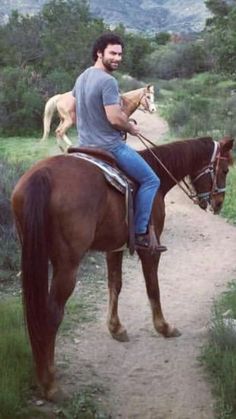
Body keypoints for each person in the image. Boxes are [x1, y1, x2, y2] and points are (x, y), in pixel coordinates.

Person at [73, 33, 166, 252]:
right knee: (151, 180)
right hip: (108, 147)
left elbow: (71, 110)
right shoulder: (108, 81)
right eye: (112, 53)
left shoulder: (82, 77)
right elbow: (115, 117)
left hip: (83, 146)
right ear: (99, 53)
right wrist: (130, 127)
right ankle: (141, 233)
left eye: (120, 54)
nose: (117, 58)